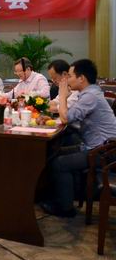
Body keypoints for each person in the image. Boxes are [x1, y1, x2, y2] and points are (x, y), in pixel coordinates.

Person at [43, 59, 116, 217]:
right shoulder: (90, 94)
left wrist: (63, 95)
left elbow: (66, 118)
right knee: (55, 154)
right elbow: (70, 115)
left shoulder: (90, 96)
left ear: (81, 78)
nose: (67, 79)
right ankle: (61, 197)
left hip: (105, 151)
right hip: (98, 146)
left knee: (59, 163)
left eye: (70, 76)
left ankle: (66, 209)